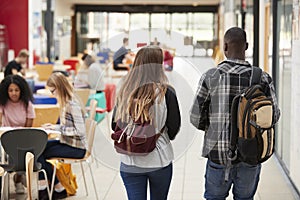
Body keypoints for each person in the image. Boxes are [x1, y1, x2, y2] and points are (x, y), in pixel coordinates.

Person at [190, 27, 281, 200]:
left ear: (225, 47)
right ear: (246, 46)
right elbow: (274, 116)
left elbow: (195, 117)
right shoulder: (262, 78)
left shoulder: (210, 77)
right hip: (251, 153)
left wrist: (214, 127)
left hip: (218, 153)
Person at [111, 45, 181, 200]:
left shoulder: (124, 91)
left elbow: (114, 125)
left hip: (130, 161)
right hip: (159, 160)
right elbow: (174, 129)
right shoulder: (167, 93)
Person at [38, 73, 87, 200]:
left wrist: (58, 129)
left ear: (60, 88)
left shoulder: (72, 105)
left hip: (77, 148)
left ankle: (44, 188)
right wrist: (56, 127)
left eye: (53, 91)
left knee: (37, 152)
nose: (52, 94)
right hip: (68, 142)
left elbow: (80, 131)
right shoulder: (66, 103)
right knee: (36, 149)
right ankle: (57, 187)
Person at [0, 75, 35, 194]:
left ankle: (19, 177)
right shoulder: (3, 103)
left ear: (22, 90)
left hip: (22, 138)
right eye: (10, 90)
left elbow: (28, 127)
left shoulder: (27, 105)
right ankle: (19, 177)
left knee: (23, 149)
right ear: (6, 91)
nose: (13, 93)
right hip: (6, 138)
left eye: (16, 90)